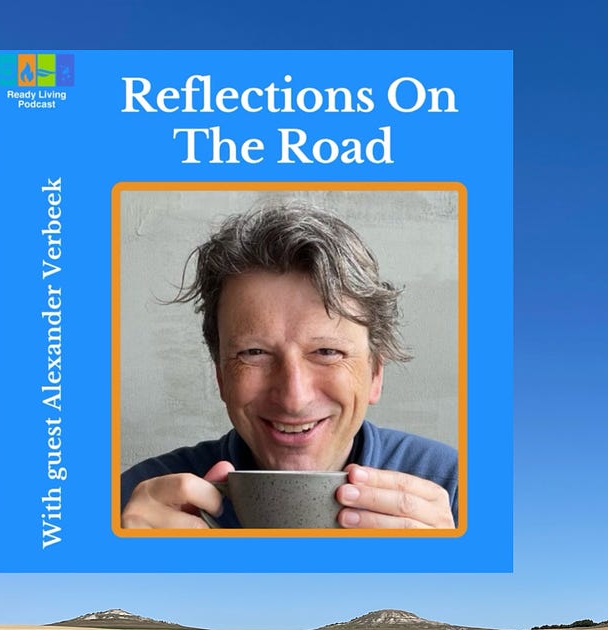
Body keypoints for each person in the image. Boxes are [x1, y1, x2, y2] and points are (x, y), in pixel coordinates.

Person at [120, 202, 458, 529]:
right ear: (220, 375)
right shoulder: (135, 507)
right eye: (254, 353)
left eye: (327, 351)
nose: (294, 399)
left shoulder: (459, 492)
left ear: (375, 373)